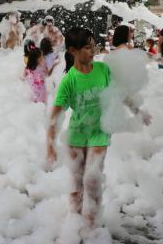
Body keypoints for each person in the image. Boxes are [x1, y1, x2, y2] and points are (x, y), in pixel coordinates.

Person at [47, 27, 111, 227]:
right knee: (76, 184)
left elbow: (120, 92)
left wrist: (137, 111)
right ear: (73, 51)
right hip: (76, 135)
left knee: (92, 180)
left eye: (93, 46)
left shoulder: (103, 70)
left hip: (99, 132)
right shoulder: (69, 80)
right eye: (87, 47)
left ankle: (92, 227)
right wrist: (50, 145)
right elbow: (55, 115)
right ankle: (75, 226)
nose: (92, 51)